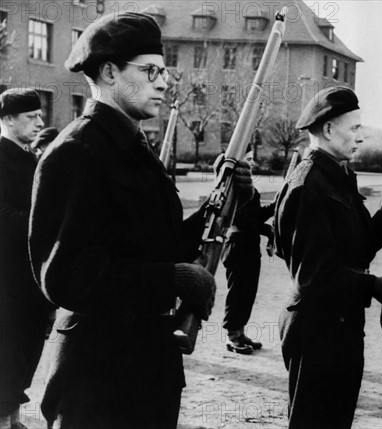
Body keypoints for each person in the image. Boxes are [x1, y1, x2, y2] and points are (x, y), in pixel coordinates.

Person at [27, 12, 252, 429]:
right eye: (151, 71)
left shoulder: (134, 148)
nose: (164, 82)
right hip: (96, 381)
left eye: (164, 72)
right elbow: (64, 276)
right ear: (109, 72)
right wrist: (173, 279)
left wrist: (226, 200)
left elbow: (158, 244)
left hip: (148, 368)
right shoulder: (74, 153)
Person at [274, 86, 382, 429]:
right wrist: (373, 285)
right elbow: (313, 276)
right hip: (316, 326)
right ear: (329, 130)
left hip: (342, 323)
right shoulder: (309, 185)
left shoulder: (339, 177)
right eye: (354, 129)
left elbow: (358, 246)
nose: (361, 137)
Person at [0, 88, 49, 429]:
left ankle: (13, 418)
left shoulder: (31, 158)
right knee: (7, 353)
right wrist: (44, 219)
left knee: (27, 350)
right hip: (6, 281)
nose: (39, 122)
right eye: (31, 117)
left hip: (31, 279)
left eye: (39, 115)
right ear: (7, 119)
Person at [222, 148, 275, 355]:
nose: (252, 163)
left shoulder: (246, 187)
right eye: (249, 158)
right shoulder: (232, 186)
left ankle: (240, 331)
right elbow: (242, 220)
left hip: (248, 245)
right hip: (237, 246)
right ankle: (232, 336)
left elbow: (255, 216)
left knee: (247, 292)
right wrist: (266, 228)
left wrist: (276, 203)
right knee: (237, 293)